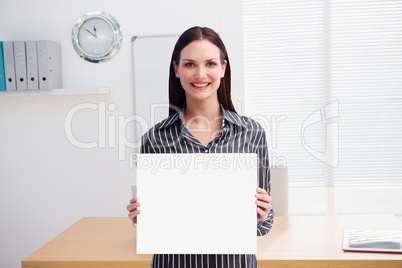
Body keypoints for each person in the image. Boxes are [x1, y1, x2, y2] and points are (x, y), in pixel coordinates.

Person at [127, 26, 274, 268]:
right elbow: (156, 226)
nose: (200, 74)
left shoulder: (252, 133)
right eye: (189, 64)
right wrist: (142, 217)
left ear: (223, 68)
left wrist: (262, 214)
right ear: (176, 69)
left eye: (210, 64)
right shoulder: (154, 138)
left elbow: (264, 226)